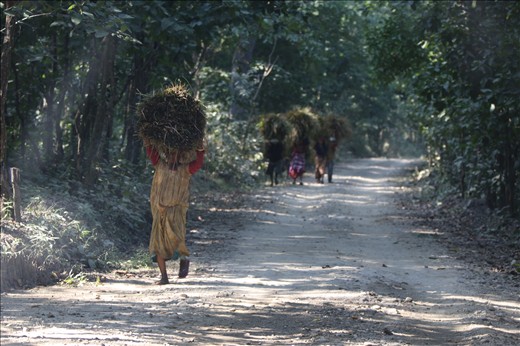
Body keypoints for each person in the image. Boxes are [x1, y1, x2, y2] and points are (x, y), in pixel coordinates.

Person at [144, 139, 205, 285]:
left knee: (177, 239)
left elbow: (198, 163)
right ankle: (164, 277)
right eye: (170, 153)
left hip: (177, 211)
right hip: (160, 211)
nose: (173, 156)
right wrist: (148, 141)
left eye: (176, 154)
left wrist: (200, 150)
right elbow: (151, 151)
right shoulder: (160, 165)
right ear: (166, 154)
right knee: (157, 245)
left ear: (181, 155)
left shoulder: (186, 170)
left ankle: (184, 259)